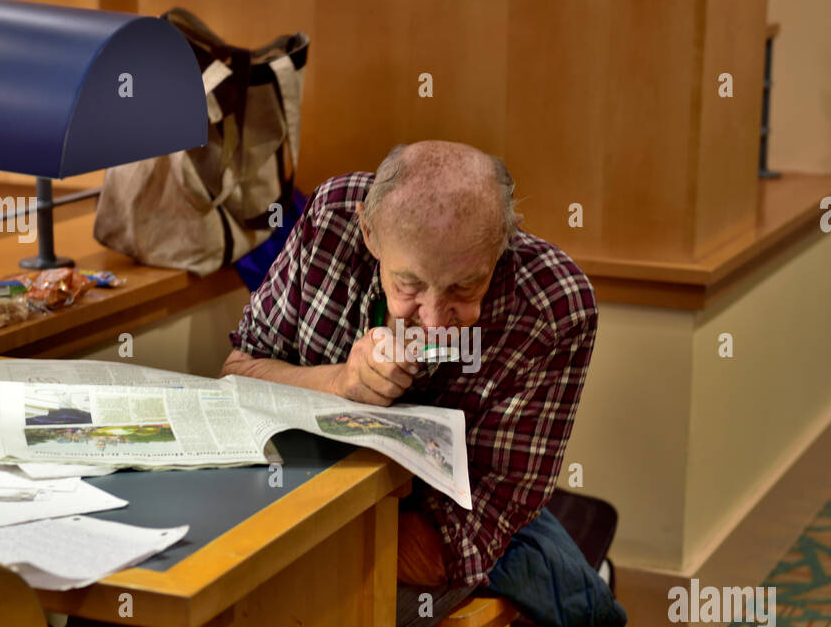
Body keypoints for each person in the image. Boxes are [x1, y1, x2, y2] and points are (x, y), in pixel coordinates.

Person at [221, 139, 597, 591]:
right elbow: (235, 375)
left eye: (465, 287)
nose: (435, 320)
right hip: (284, 499)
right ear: (369, 233)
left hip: (403, 543)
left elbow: (461, 545)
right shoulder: (332, 219)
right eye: (409, 283)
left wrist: (282, 546)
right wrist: (341, 382)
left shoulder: (554, 308)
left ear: (504, 245)